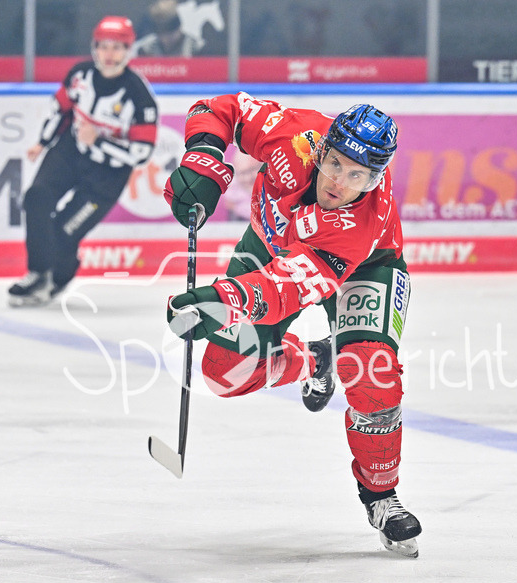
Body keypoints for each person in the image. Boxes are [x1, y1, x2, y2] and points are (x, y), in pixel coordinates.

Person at [162, 93, 422, 557]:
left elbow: (289, 287)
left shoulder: (357, 224)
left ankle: (381, 495)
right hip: (267, 245)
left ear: (376, 178)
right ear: (321, 150)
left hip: (367, 267)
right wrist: (203, 158)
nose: (340, 182)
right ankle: (317, 359)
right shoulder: (292, 137)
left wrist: (223, 302)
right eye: (337, 164)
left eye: (358, 175)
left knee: (372, 373)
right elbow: (221, 107)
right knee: (224, 374)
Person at [8, 16, 158, 307]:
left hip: (107, 176)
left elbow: (142, 153)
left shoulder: (139, 96)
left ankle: (59, 277)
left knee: (65, 231)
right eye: (104, 47)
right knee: (37, 196)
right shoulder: (80, 76)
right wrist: (43, 141)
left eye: (118, 48)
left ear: (128, 51)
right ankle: (37, 272)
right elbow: (59, 108)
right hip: (70, 152)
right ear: (94, 48)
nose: (110, 55)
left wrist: (99, 141)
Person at [132, 0, 201, 57]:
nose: (166, 39)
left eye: (170, 34)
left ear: (179, 29)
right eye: (162, 35)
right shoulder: (146, 49)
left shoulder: (195, 48)